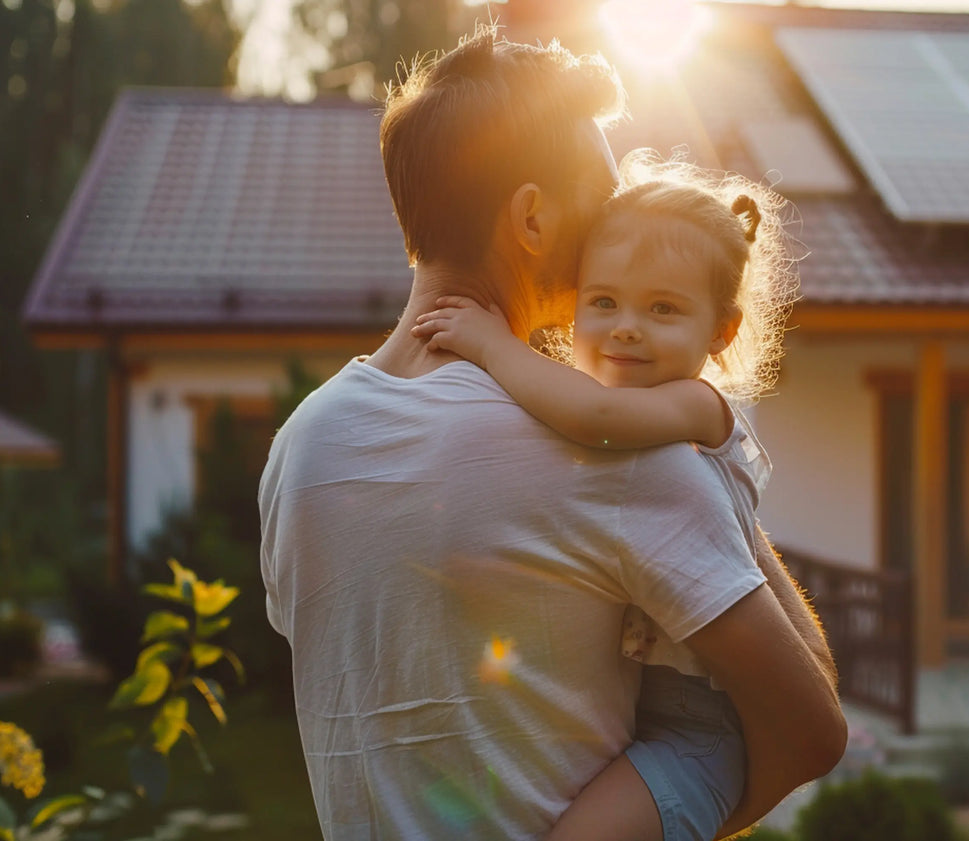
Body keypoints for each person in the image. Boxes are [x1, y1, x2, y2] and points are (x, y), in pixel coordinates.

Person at [258, 26, 846, 841]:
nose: (618, 223)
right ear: (531, 218)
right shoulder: (613, 457)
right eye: (602, 198)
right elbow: (813, 728)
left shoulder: (297, 451)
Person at [410, 157, 798, 841]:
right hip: (630, 714)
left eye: (664, 309)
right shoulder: (602, 405)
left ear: (721, 332)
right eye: (604, 301)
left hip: (699, 730)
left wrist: (494, 344)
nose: (625, 327)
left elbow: (594, 418)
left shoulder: (697, 408)